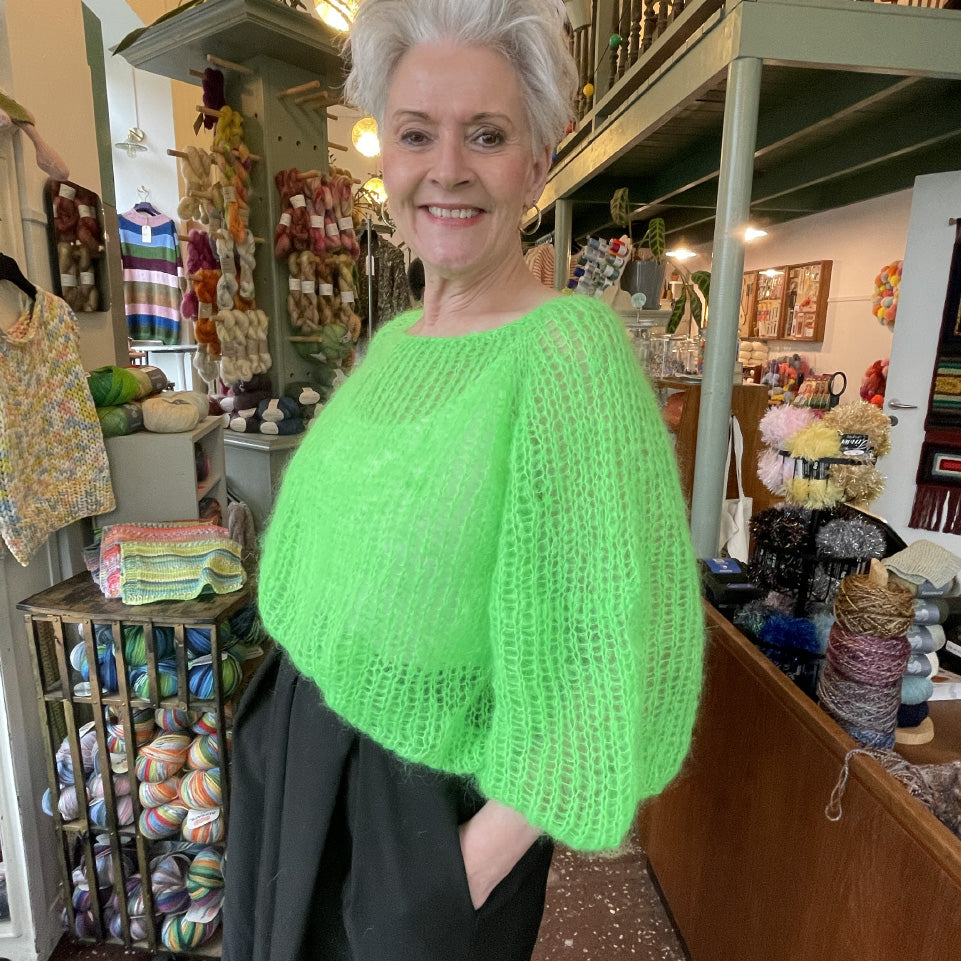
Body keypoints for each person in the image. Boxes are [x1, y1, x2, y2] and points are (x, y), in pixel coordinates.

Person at [221, 2, 704, 960]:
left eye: (485, 135)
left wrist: (455, 876)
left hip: (416, 815)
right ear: (387, 157)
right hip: (300, 757)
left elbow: (603, 654)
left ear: (536, 161)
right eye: (415, 135)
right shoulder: (399, 342)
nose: (446, 169)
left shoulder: (566, 354)